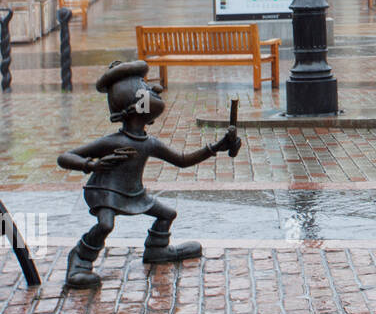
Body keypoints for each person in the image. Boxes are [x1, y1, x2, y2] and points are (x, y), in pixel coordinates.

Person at [58, 60, 240, 288]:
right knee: (105, 225)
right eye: (144, 87)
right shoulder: (113, 141)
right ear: (134, 106)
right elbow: (64, 157)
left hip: (134, 193)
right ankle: (80, 259)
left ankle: (157, 249)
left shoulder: (149, 142)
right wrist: (92, 165)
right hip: (107, 193)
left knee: (167, 214)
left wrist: (218, 146)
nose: (156, 90)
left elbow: (182, 161)